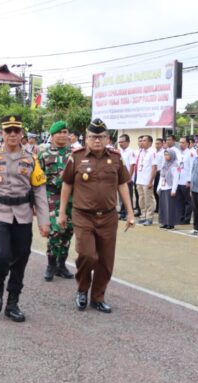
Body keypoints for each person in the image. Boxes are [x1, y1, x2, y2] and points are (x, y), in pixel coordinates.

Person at [0, 115, 50, 322]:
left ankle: (13, 302)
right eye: (9, 131)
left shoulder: (31, 158)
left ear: (22, 134)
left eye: (17, 130)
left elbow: (39, 190)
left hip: (23, 214)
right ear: (2, 133)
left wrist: (44, 221)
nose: (13, 134)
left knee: (22, 257)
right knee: (2, 254)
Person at [58, 118, 135, 313]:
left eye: (101, 137)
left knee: (106, 261)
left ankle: (98, 296)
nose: (97, 140)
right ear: (86, 138)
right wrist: (61, 213)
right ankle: (82, 289)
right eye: (93, 137)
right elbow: (67, 184)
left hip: (108, 217)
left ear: (108, 138)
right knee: (87, 254)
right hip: (83, 215)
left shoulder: (116, 158)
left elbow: (122, 185)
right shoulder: (75, 157)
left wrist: (131, 213)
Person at [37, 120, 75, 281]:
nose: (62, 135)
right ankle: (51, 264)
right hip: (51, 196)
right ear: (52, 135)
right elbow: (37, 180)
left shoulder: (75, 153)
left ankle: (61, 264)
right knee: (54, 231)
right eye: (59, 132)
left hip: (72, 198)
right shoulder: (44, 153)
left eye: (65, 132)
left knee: (67, 231)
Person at [135, 135, 158, 225]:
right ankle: (143, 215)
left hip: (147, 180)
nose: (142, 142)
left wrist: (150, 181)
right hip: (139, 180)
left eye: (144, 141)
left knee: (148, 200)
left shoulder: (152, 153)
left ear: (150, 143)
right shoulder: (141, 152)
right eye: (141, 141)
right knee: (141, 199)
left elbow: (154, 168)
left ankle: (149, 217)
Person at [158, 148, 180, 229]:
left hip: (170, 188)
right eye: (165, 154)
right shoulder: (164, 164)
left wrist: (173, 190)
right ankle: (164, 222)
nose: (166, 156)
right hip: (163, 187)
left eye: (167, 155)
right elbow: (161, 177)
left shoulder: (175, 165)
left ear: (172, 155)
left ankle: (171, 223)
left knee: (170, 207)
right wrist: (159, 187)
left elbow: (176, 179)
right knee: (163, 206)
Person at [117, 134, 136, 221]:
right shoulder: (118, 151)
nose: (120, 144)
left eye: (122, 142)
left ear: (127, 142)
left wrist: (129, 177)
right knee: (121, 196)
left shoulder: (131, 152)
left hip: (127, 178)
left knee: (128, 196)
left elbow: (132, 165)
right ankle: (122, 212)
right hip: (119, 178)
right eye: (119, 142)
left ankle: (128, 213)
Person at [176, 137, 194, 224]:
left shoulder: (191, 153)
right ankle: (180, 217)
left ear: (187, 144)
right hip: (179, 180)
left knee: (188, 201)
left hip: (186, 181)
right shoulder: (179, 153)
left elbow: (191, 168)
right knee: (179, 200)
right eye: (180, 142)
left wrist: (189, 180)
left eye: (183, 142)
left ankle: (187, 218)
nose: (181, 144)